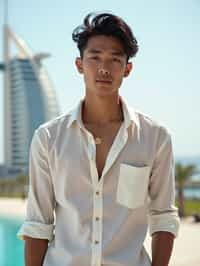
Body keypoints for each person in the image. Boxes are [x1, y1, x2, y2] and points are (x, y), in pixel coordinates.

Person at [17, 12, 180, 266]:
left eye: (115, 59)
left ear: (127, 69)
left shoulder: (155, 137)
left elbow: (163, 218)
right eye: (94, 58)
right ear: (79, 64)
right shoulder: (48, 138)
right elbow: (38, 224)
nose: (104, 68)